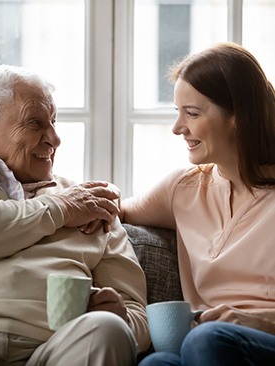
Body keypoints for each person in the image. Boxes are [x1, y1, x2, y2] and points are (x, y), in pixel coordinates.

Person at [0, 65, 150, 366]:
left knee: (108, 329)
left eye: (53, 122)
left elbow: (139, 318)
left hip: (58, 349)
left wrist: (123, 316)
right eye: (35, 123)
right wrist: (62, 209)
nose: (54, 138)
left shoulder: (92, 203)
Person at [119, 42, 275, 366]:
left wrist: (257, 321)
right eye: (178, 112)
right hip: (203, 348)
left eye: (191, 113)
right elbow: (115, 206)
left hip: (257, 341)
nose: (178, 128)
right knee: (156, 363)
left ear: (239, 116)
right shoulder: (185, 189)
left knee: (206, 341)